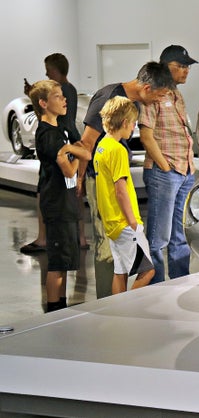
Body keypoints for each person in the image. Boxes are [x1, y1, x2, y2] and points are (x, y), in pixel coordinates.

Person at [77, 61, 174, 299]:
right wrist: (79, 181)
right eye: (159, 95)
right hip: (112, 200)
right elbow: (86, 143)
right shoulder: (109, 99)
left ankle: (112, 305)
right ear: (147, 88)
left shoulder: (125, 109)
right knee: (113, 255)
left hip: (110, 197)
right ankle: (113, 304)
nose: (159, 101)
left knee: (118, 265)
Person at [28, 80, 91, 312]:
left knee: (64, 262)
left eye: (63, 95)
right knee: (57, 264)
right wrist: (75, 155)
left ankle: (61, 308)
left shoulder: (60, 130)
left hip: (66, 201)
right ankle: (54, 309)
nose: (64, 100)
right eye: (57, 96)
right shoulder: (47, 135)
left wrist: (71, 150)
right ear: (43, 103)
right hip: (56, 203)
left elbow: (85, 153)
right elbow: (69, 170)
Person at [138, 45, 198, 284]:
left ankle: (179, 281)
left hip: (184, 170)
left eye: (187, 67)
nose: (186, 71)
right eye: (181, 66)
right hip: (166, 172)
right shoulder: (154, 94)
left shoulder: (176, 95)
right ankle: (155, 285)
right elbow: (146, 136)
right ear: (165, 66)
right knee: (158, 237)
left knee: (180, 235)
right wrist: (165, 166)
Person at [20, 53, 87, 254]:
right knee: (72, 191)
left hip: (64, 143)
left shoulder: (51, 132)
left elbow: (69, 170)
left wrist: (74, 153)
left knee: (48, 191)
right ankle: (79, 236)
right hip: (68, 141)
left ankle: (44, 238)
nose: (47, 74)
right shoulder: (70, 89)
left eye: (48, 71)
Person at [94, 97, 154, 294]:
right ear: (126, 122)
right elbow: (120, 190)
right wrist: (133, 223)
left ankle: (117, 309)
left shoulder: (102, 146)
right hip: (125, 223)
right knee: (147, 271)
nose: (134, 127)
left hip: (112, 223)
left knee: (120, 272)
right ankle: (129, 306)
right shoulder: (118, 150)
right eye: (133, 123)